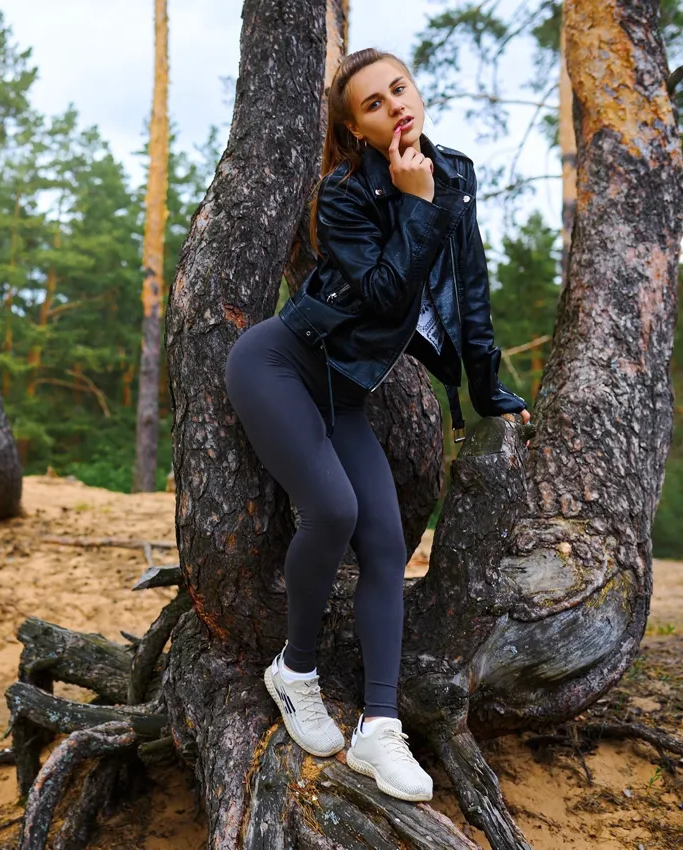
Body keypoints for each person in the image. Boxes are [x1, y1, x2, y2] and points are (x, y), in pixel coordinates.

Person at [223, 47, 530, 803]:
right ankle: (294, 673)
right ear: (356, 129)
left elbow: (470, 291)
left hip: (344, 393)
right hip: (281, 364)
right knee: (332, 509)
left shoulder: (452, 175)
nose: (394, 106)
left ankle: (379, 731)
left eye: (400, 89)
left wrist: (489, 390)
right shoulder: (345, 193)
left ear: (416, 91)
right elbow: (389, 296)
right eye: (372, 103)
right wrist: (416, 204)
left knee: (388, 545)